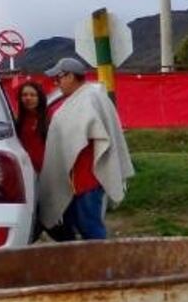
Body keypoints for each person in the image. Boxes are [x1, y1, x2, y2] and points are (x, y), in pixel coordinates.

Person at [39, 57, 134, 241]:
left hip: (87, 178)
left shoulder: (89, 98)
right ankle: (85, 264)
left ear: (70, 77)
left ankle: (103, 266)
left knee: (89, 227)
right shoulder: (83, 97)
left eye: (58, 79)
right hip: (76, 178)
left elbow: (93, 132)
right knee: (76, 225)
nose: (56, 84)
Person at [14, 81, 49, 174]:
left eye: (33, 95)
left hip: (47, 172)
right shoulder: (17, 122)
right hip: (26, 171)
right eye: (24, 95)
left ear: (40, 98)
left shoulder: (49, 118)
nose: (28, 98)